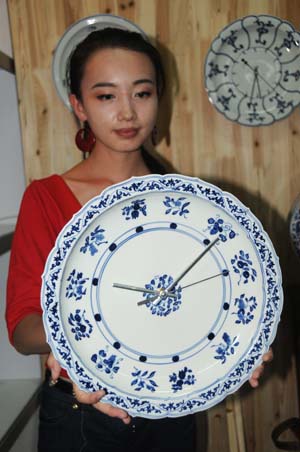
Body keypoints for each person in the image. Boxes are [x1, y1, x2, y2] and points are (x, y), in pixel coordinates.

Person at [6, 16, 273, 452]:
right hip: (82, 416)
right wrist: (73, 340)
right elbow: (21, 328)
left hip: (170, 413)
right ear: (79, 106)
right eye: (106, 95)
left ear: (158, 99)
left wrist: (241, 344)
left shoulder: (185, 206)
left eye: (142, 93)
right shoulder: (47, 198)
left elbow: (206, 304)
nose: (127, 111)